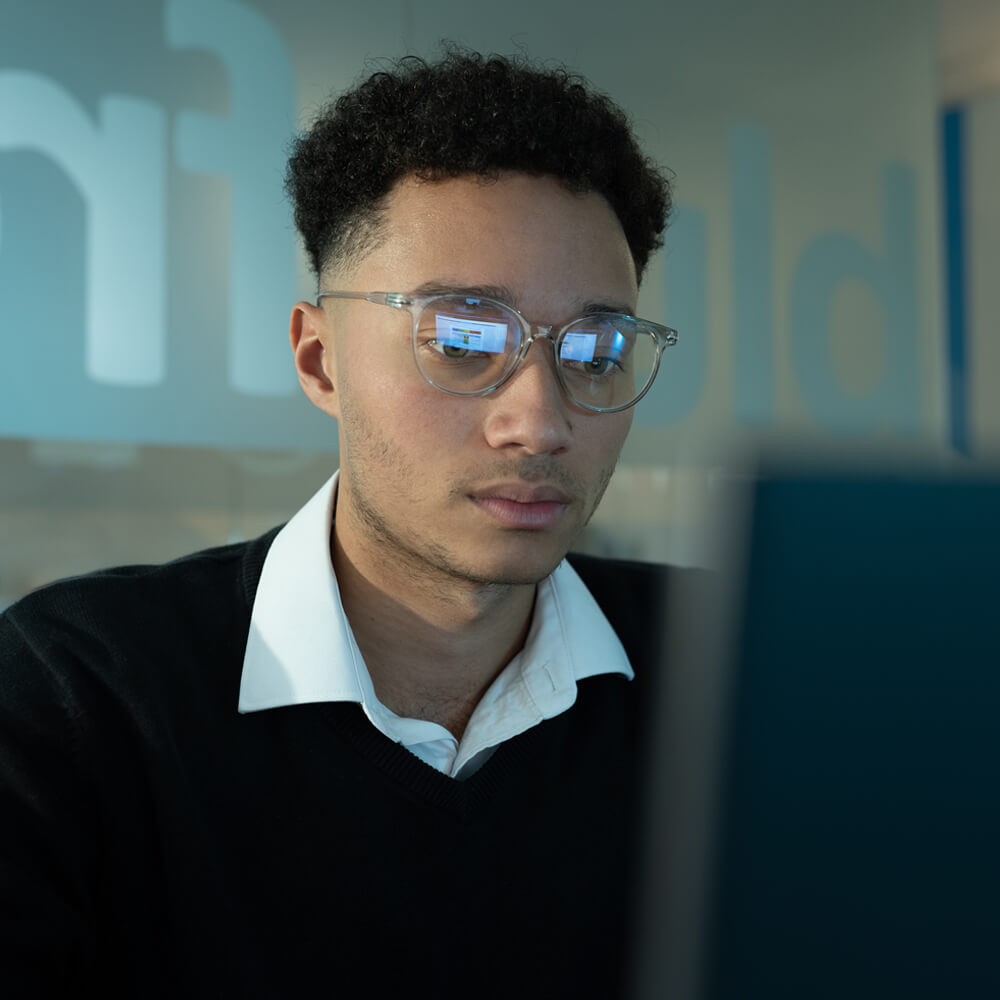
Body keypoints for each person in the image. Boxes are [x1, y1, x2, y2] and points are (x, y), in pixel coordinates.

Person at [1, 50, 689, 997]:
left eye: (598, 350)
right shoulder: (82, 697)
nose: (540, 421)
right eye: (462, 341)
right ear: (321, 362)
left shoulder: (733, 672)